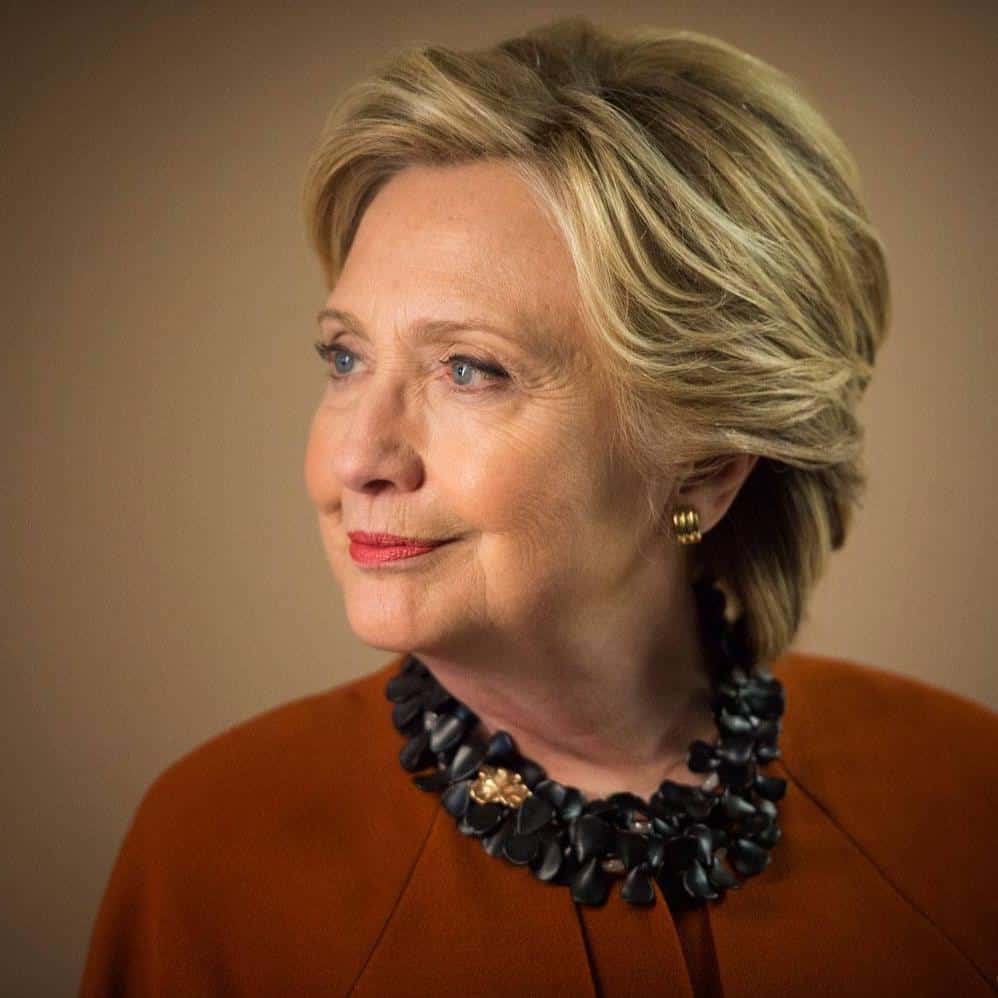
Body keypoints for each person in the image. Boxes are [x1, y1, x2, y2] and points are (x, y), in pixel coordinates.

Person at [79, 16, 998, 996]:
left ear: (704, 467)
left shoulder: (964, 797)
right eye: (345, 358)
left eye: (467, 369)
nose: (356, 457)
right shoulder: (213, 856)